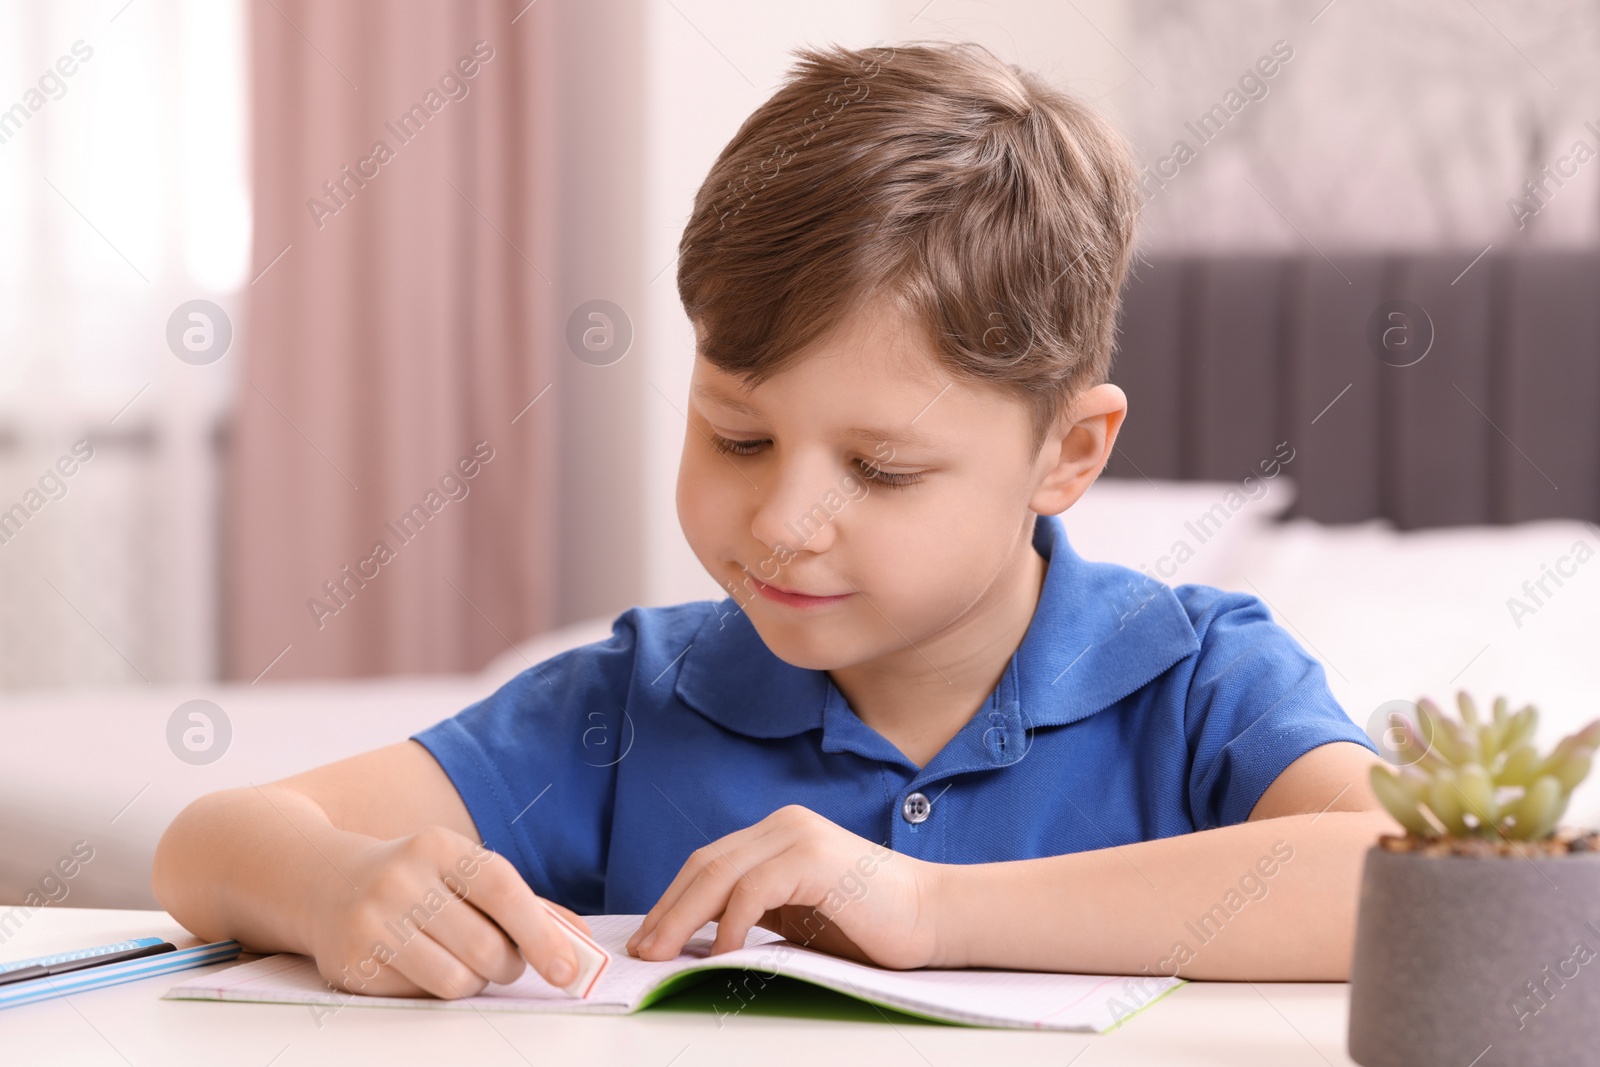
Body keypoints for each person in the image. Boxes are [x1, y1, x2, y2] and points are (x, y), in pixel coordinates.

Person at [152, 40, 1393, 1000]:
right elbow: (207, 846)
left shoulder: (1199, 682)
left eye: (882, 468)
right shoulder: (631, 703)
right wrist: (332, 885)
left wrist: (933, 908)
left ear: (1066, 454)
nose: (785, 522)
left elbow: (1401, 881)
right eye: (736, 437)